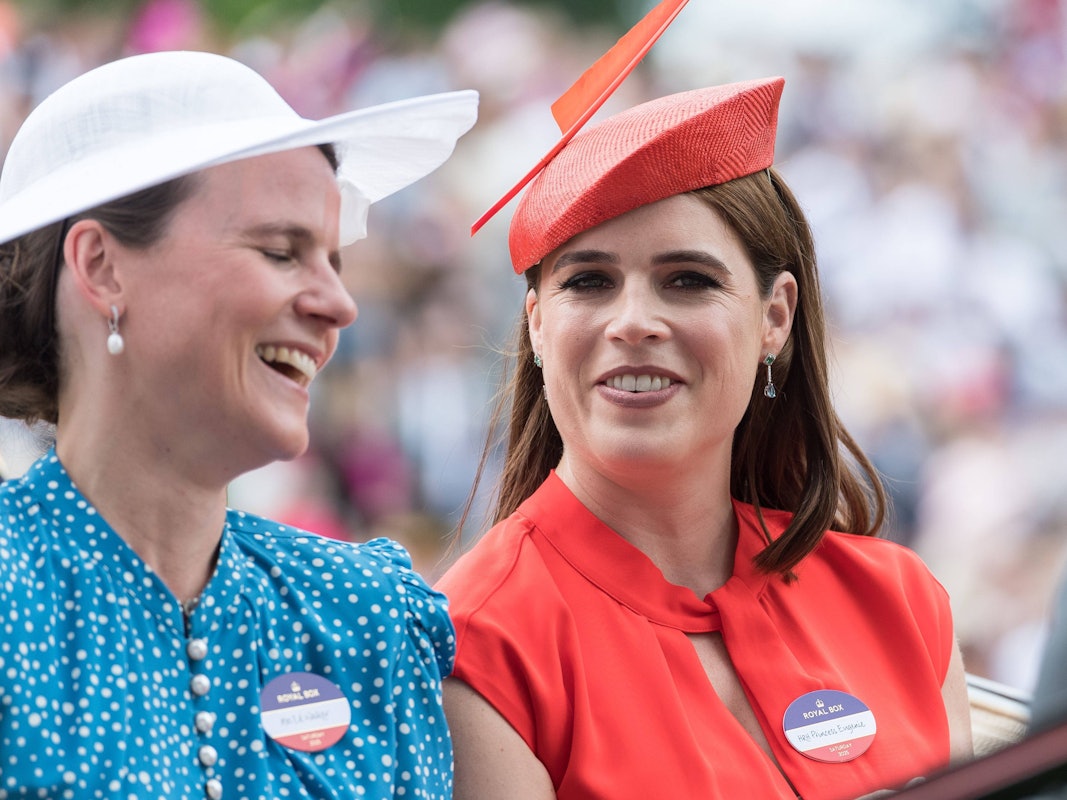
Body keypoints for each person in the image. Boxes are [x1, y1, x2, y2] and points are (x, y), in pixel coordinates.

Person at [435, 76, 973, 800]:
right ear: (536, 324)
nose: (633, 322)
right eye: (588, 282)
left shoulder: (899, 602)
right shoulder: (478, 645)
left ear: (775, 317)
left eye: (687, 280)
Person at [0, 50, 477, 799]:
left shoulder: (364, 615)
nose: (339, 305)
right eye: (281, 252)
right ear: (101, 267)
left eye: (334, 261)